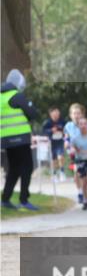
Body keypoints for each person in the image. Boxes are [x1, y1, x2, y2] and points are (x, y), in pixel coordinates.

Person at [1, 69, 40, 210]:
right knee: (27, 168)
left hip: (6, 139)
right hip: (20, 138)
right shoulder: (16, 96)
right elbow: (33, 113)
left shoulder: (1, 97)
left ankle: (5, 199)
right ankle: (24, 200)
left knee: (14, 169)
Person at [41, 106, 67, 181]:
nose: (56, 114)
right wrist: (51, 130)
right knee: (54, 159)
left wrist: (62, 132)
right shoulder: (47, 122)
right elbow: (43, 131)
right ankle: (54, 174)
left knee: (60, 157)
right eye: (54, 113)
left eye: (57, 112)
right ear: (51, 114)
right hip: (51, 142)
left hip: (60, 141)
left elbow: (66, 130)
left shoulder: (62, 121)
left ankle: (62, 172)